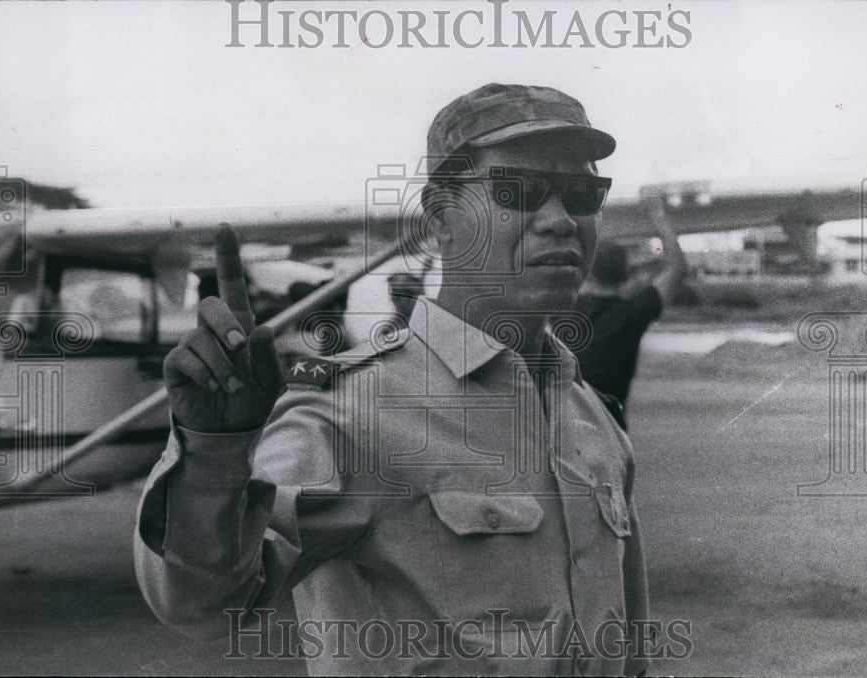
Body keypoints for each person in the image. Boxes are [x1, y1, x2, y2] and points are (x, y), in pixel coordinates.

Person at [134, 83, 652, 676]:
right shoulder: (355, 411)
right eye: (520, 191)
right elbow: (200, 603)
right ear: (441, 220)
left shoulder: (594, 420)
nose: (561, 221)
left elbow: (626, 653)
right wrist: (212, 457)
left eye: (584, 194)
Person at [572, 200, 687, 428]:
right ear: (626, 276)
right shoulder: (631, 315)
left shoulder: (558, 308)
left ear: (587, 274)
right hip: (610, 431)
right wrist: (659, 217)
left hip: (560, 432)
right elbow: (677, 269)